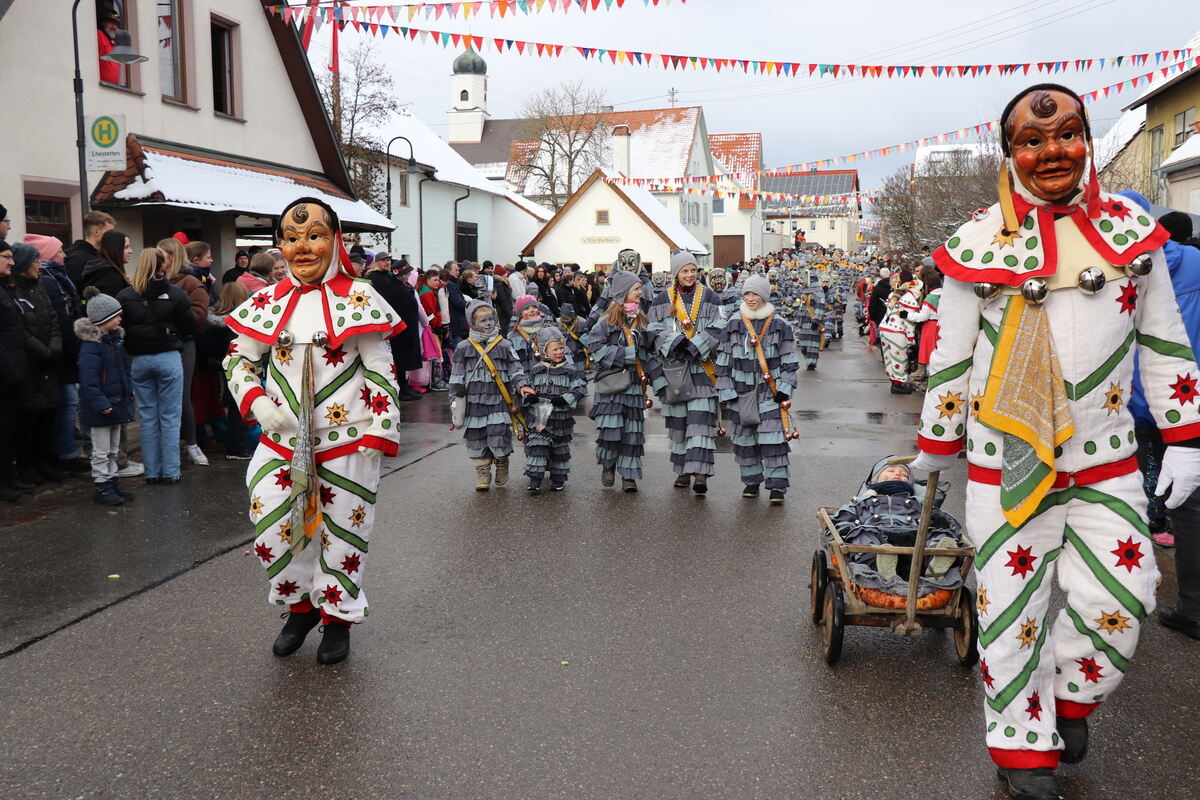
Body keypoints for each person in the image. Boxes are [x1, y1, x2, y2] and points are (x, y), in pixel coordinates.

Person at [910, 84, 1200, 800]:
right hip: (1004, 466)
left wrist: (1188, 438)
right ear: (1011, 153)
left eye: (1067, 134)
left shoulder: (1137, 243)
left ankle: (1071, 699)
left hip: (1108, 465)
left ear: (1088, 141)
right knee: (1012, 612)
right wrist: (936, 442)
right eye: (1033, 141)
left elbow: (1166, 344)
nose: (1052, 151)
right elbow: (950, 353)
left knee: (1127, 597)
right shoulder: (976, 246)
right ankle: (1021, 746)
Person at [222, 197, 404, 665]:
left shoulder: (359, 298)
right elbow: (238, 359)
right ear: (281, 244)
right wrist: (258, 402)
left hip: (347, 443)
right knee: (274, 531)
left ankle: (337, 620)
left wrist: (382, 428)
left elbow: (380, 367)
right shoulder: (267, 300)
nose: (303, 247)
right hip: (280, 444)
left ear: (335, 239)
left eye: (315, 235)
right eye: (292, 237)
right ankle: (299, 607)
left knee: (342, 535)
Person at [1119, 191, 1200, 634]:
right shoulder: (1193, 262)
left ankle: (1135, 578)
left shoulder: (1114, 268)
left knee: (1132, 485)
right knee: (1190, 500)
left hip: (1138, 399)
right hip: (1188, 399)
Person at [714, 275, 799, 505]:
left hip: (770, 393)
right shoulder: (733, 322)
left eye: (755, 294)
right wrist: (726, 390)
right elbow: (722, 362)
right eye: (747, 294)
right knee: (744, 441)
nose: (751, 299)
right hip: (741, 392)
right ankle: (751, 482)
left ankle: (777, 488)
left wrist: (784, 389)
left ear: (764, 295)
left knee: (773, 441)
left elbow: (789, 361)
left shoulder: (780, 324)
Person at [647, 250, 724, 495]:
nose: (690, 275)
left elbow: (721, 325)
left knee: (701, 424)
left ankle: (700, 474)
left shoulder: (710, 296)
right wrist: (676, 342)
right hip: (675, 369)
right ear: (676, 274)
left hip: (702, 368)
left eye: (693, 270)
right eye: (685, 271)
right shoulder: (662, 299)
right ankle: (682, 471)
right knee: (679, 425)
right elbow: (653, 328)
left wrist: (698, 344)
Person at [118, 248, 194, 484]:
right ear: (163, 267)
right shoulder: (176, 294)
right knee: (170, 416)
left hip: (139, 360)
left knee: (148, 417)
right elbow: (189, 324)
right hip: (168, 356)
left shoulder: (125, 295)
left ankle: (152, 471)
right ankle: (171, 471)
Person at [586, 271, 663, 493]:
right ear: (623, 293)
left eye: (640, 288)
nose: (641, 292)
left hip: (633, 388)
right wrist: (626, 354)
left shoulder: (642, 320)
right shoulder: (604, 321)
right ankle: (608, 466)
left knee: (632, 434)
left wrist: (658, 382)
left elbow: (648, 355)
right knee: (610, 431)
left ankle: (629, 476)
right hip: (611, 387)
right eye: (636, 289)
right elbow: (595, 349)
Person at [449, 299, 534, 491]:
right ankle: (483, 472)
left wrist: (522, 385)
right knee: (476, 436)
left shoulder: (504, 344)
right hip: (474, 401)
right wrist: (454, 400)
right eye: (483, 321)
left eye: (490, 319)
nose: (488, 324)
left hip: (498, 399)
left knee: (499, 434)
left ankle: (502, 462)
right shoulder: (463, 347)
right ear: (472, 323)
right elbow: (456, 375)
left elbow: (515, 367)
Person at [26, 234, 87, 473]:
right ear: (48, 255)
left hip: (64, 349)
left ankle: (64, 452)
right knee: (67, 402)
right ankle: (65, 454)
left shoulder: (58, 277)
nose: (64, 255)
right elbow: (62, 319)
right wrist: (76, 349)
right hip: (60, 352)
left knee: (67, 402)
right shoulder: (50, 281)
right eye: (60, 251)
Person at [75, 291, 136, 505]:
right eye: (116, 315)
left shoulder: (114, 342)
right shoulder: (91, 347)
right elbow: (89, 380)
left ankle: (112, 480)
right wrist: (101, 403)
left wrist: (128, 393)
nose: (120, 319)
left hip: (116, 403)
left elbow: (123, 371)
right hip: (102, 407)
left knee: (112, 448)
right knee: (101, 450)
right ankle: (102, 485)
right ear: (103, 319)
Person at [10, 244, 63, 485]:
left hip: (48, 362)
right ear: (22, 264)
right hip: (30, 363)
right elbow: (18, 329)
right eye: (35, 261)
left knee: (47, 415)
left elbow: (53, 318)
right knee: (28, 418)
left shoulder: (39, 286)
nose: (38, 265)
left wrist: (54, 347)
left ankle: (44, 462)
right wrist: (43, 351)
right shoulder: (11, 291)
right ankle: (27, 465)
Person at [159, 237, 210, 467]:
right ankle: (166, 447)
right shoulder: (152, 281)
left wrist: (173, 319)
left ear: (172, 256)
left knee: (183, 398)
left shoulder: (190, 282)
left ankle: (192, 443)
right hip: (158, 346)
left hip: (183, 344)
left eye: (163, 253)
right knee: (160, 400)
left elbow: (199, 318)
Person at [523, 326, 586, 493]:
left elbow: (580, 389)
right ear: (544, 351)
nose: (559, 352)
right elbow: (528, 388)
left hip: (561, 418)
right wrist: (530, 397)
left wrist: (565, 399)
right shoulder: (536, 369)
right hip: (540, 417)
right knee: (537, 446)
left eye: (561, 348)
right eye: (555, 349)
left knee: (559, 449)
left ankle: (558, 479)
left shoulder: (570, 370)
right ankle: (535, 480)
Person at [199, 282, 252, 460]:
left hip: (221, 367)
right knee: (240, 406)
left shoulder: (213, 323)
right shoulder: (246, 321)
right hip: (243, 366)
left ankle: (233, 445)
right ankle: (238, 448)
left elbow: (207, 345)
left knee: (231, 406)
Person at [0, 240, 32, 501]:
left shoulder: (6, 288)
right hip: (5, 375)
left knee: (11, 431)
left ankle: (11, 478)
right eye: (6, 257)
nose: (12, 262)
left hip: (14, 371)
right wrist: (11, 371)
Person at [365, 257, 422, 401]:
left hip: (406, 329)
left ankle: (405, 387)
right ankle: (402, 388)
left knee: (405, 361)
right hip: (401, 331)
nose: (409, 275)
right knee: (401, 361)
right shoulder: (394, 286)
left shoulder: (401, 285)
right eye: (407, 273)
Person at [878, 268, 922, 394]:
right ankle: (899, 384)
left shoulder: (893, 295)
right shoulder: (909, 299)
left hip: (885, 328)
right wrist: (910, 338)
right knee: (899, 358)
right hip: (897, 331)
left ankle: (894, 381)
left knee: (889, 357)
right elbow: (908, 321)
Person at [907, 263, 943, 384]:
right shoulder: (944, 295)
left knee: (928, 354)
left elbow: (923, 316)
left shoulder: (929, 298)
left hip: (929, 327)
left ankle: (928, 378)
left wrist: (907, 315)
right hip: (940, 326)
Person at [64, 210, 115, 288]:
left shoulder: (101, 254)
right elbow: (74, 289)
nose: (113, 236)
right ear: (96, 232)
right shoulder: (76, 258)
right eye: (110, 232)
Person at [79, 229, 132, 298]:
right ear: (114, 249)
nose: (131, 251)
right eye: (126, 247)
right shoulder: (110, 276)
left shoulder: (99, 269)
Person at [508, 295, 546, 373]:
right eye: (526, 308)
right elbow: (513, 362)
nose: (532, 310)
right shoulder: (513, 335)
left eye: (534, 307)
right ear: (520, 314)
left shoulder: (548, 328)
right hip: (525, 377)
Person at [96, 8, 121, 84]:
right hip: (101, 88)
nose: (114, 27)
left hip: (111, 89)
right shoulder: (99, 35)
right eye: (111, 22)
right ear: (103, 22)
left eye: (116, 24)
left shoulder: (113, 43)